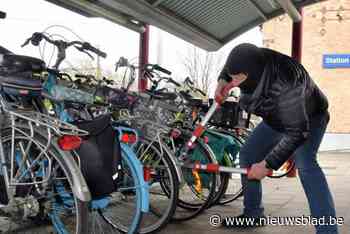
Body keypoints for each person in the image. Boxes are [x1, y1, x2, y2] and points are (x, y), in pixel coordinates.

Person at [215, 43, 338, 234]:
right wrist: (222, 81)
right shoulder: (251, 59)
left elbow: (297, 132)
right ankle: (253, 215)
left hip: (310, 117)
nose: (235, 83)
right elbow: (232, 67)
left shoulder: (287, 82)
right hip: (276, 118)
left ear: (253, 73)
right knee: (248, 154)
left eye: (237, 78)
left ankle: (328, 231)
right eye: (233, 77)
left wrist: (267, 165)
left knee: (305, 163)